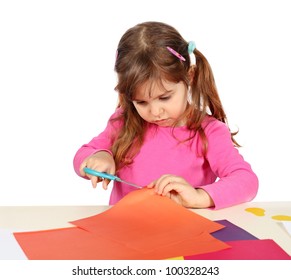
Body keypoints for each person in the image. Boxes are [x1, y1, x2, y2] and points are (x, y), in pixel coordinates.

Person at [73, 21, 258, 209]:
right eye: (141, 102)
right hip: (126, 232)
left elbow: (247, 181)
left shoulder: (209, 132)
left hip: (187, 233)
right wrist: (100, 156)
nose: (155, 112)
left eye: (165, 97)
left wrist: (199, 197)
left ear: (190, 77)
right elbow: (82, 155)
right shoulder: (123, 121)